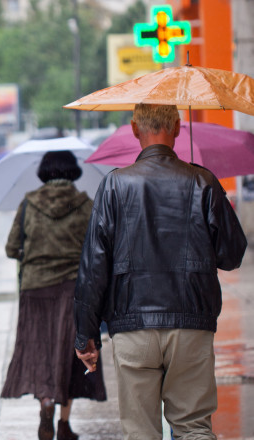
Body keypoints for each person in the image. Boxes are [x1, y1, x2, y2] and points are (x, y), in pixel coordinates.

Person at [74, 104, 247, 438]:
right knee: (194, 427)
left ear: (135, 129)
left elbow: (93, 267)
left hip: (131, 326)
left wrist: (86, 335)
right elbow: (232, 254)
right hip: (191, 325)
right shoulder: (203, 182)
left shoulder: (114, 185)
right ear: (178, 128)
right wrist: (213, 196)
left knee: (141, 431)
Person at [1, 150, 107, 440]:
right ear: (73, 171)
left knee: (40, 351)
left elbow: (12, 248)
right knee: (70, 354)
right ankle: (63, 423)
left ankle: (45, 401)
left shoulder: (28, 204)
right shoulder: (86, 204)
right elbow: (98, 250)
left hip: (35, 289)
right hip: (75, 290)